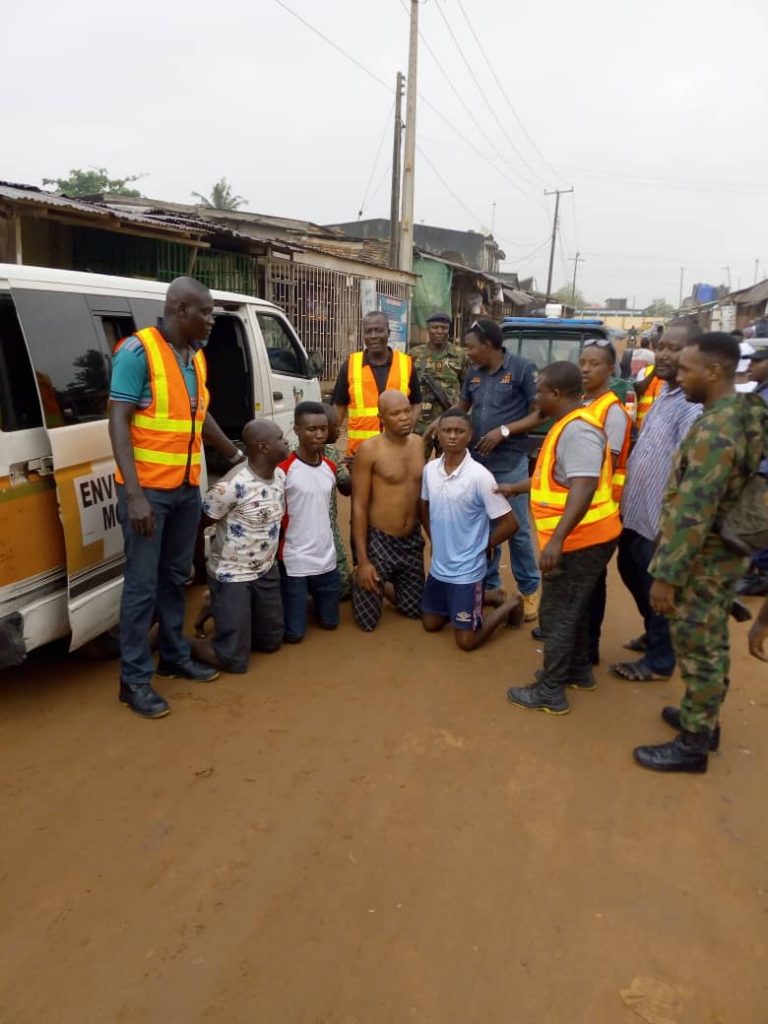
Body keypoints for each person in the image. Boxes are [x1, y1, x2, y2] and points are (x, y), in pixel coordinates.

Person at [108, 276, 245, 719]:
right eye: (204, 312)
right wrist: (134, 496)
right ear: (180, 310)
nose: (211, 320)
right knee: (142, 586)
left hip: (186, 488)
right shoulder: (137, 352)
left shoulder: (195, 356)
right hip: (148, 492)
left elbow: (199, 416)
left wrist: (234, 454)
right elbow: (118, 421)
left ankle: (172, 656)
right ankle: (133, 681)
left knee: (175, 578)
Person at [634, 333, 768, 773]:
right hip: (723, 550)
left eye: (687, 369)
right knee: (710, 642)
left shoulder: (716, 430)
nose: (679, 376)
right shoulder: (744, 412)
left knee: (699, 647)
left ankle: (694, 745)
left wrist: (666, 576)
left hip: (704, 557)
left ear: (714, 372)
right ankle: (702, 719)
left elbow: (695, 509)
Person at [504, 362, 621, 715]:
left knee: (556, 615)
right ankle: (578, 671)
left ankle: (550, 691)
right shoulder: (566, 424)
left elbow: (583, 486)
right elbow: (552, 478)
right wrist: (514, 487)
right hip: (584, 537)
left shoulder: (578, 430)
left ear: (555, 393)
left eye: (539, 391)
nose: (535, 397)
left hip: (581, 540)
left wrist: (557, 540)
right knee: (575, 610)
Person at [611, 318, 703, 683]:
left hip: (661, 522)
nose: (664, 354)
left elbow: (689, 474)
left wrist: (672, 529)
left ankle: (661, 660)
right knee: (629, 570)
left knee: (658, 587)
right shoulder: (664, 391)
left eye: (674, 349)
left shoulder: (693, 407)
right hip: (637, 513)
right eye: (662, 346)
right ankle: (654, 633)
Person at [457, 317, 542, 620]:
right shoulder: (473, 373)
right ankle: (492, 588)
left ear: (489, 345)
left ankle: (530, 589)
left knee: (516, 529)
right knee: (484, 528)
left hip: (510, 463)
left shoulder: (522, 369)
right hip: (478, 464)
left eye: (471, 347)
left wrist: (503, 432)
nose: (467, 353)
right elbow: (462, 407)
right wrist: (440, 423)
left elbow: (539, 414)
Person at [190, 419, 288, 674]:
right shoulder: (230, 487)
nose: (286, 441)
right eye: (280, 438)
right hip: (231, 574)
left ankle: (220, 608)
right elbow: (200, 526)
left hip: (265, 569)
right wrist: (200, 569)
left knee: (270, 643)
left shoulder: (279, 476)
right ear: (263, 447)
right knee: (233, 659)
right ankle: (176, 643)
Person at [420, 408, 522, 649]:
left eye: (459, 431)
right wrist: (434, 540)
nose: (452, 436)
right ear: (438, 434)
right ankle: (492, 596)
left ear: (470, 435)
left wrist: (483, 545)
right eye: (447, 430)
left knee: (466, 642)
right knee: (431, 623)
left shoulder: (480, 477)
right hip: (439, 566)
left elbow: (511, 524)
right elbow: (423, 505)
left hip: (468, 569)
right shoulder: (430, 470)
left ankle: (511, 604)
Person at [351, 390, 425, 631]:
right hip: (380, 541)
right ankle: (360, 574)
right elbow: (359, 506)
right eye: (395, 413)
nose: (404, 417)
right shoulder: (369, 450)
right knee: (367, 622)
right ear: (381, 417)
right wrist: (363, 561)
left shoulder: (419, 443)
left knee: (415, 611)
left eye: (407, 411)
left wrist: (433, 537)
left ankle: (388, 585)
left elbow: (422, 497)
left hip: (411, 540)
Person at [580, 339, 632, 665]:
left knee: (592, 581)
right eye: (583, 363)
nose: (586, 369)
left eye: (594, 363)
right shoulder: (588, 404)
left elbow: (603, 467)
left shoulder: (612, 412)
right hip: (584, 510)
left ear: (611, 369)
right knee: (580, 582)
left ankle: (590, 647)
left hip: (599, 511)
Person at [278, 402, 341, 643]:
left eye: (323, 429)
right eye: (311, 429)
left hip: (326, 559)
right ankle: (297, 599)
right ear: (296, 430)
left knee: (331, 623)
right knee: (294, 635)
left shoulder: (330, 467)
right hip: (295, 561)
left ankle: (311, 600)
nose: (319, 435)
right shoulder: (284, 470)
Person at [332, 310, 422, 459]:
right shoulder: (350, 365)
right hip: (359, 453)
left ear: (388, 333)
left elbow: (416, 402)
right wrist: (329, 440)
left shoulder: (405, 364)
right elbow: (339, 406)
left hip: (397, 451)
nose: (373, 336)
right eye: (368, 331)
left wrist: (407, 427)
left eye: (379, 330)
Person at [413, 311, 467, 458]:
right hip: (421, 423)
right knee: (416, 463)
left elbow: (467, 388)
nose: (439, 331)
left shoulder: (459, 355)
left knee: (449, 463)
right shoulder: (415, 354)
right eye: (435, 327)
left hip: (449, 422)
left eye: (443, 328)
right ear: (428, 329)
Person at [321, 403, 353, 598]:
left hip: (329, 529)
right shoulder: (291, 456)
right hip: (299, 533)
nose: (339, 430)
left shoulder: (332, 453)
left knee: (343, 589)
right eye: (335, 426)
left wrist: (353, 472)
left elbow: (346, 489)